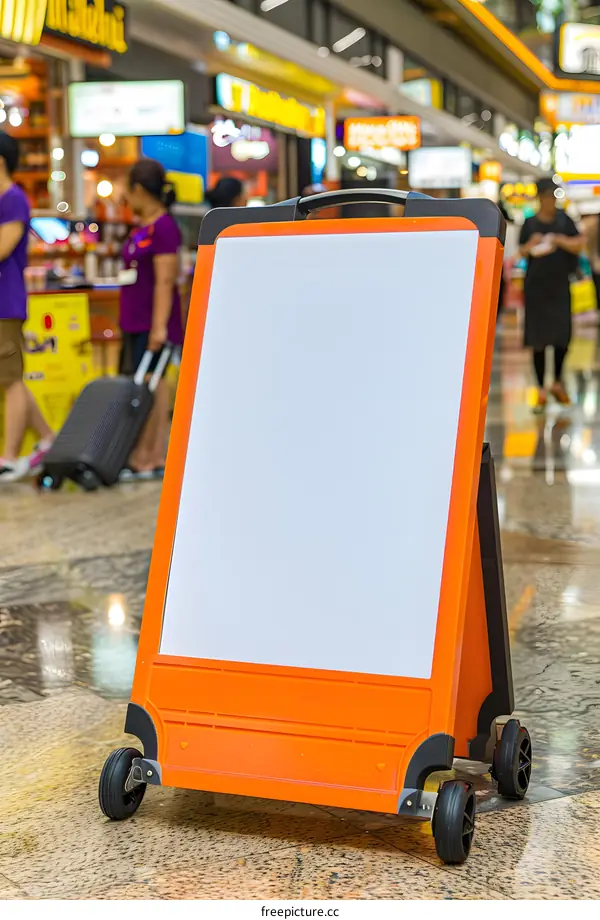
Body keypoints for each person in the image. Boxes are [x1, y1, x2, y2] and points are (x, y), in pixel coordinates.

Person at [119, 159, 183, 477]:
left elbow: (165, 280)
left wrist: (159, 326)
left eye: (127, 192)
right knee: (141, 384)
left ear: (139, 190)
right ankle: (140, 452)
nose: (125, 200)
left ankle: (152, 455)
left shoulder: (165, 228)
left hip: (153, 322)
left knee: (155, 386)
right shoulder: (142, 228)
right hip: (134, 319)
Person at [0, 131, 54, 482]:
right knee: (6, 377)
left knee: (10, 379)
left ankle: (10, 457)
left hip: (5, 301)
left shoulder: (13, 199)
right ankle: (48, 438)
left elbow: (3, 248)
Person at [519, 178, 585, 412]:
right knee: (537, 340)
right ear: (540, 197)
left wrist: (559, 240)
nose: (551, 201)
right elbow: (521, 252)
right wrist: (532, 244)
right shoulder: (529, 224)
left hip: (559, 286)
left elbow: (579, 244)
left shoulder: (564, 220)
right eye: (548, 196)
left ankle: (556, 381)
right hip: (536, 288)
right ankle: (541, 389)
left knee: (561, 337)